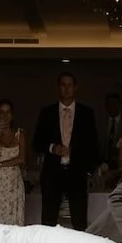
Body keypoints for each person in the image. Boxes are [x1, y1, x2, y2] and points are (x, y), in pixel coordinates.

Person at [32, 72, 99, 229]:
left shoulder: (87, 113)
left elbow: (93, 144)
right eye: (63, 84)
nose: (66, 88)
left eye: (70, 85)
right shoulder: (47, 112)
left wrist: (88, 170)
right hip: (52, 172)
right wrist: (52, 148)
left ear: (75, 88)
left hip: (77, 172)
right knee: (48, 219)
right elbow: (37, 142)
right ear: (58, 87)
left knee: (79, 220)